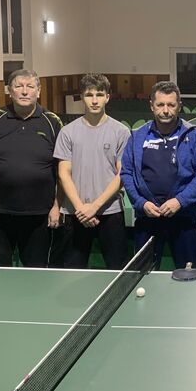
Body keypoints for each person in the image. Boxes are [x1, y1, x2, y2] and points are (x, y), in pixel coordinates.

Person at [0, 69, 62, 267]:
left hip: (39, 214)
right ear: (9, 91)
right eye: (19, 86)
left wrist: (57, 206)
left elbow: (62, 170)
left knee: (36, 273)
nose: (24, 91)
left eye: (30, 86)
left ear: (39, 91)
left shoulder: (53, 122)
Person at [120, 81, 196, 270]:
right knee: (143, 276)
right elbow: (127, 173)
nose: (166, 110)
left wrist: (180, 201)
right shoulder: (137, 136)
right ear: (151, 105)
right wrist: (141, 203)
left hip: (184, 218)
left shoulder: (194, 136)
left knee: (188, 276)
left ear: (179, 105)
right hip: (147, 217)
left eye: (171, 105)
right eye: (160, 104)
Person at [53, 73, 131, 269]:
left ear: (107, 97)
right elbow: (63, 174)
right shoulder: (67, 132)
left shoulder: (121, 132)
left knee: (117, 271)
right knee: (71, 272)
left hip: (110, 212)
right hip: (75, 213)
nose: (94, 100)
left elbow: (122, 174)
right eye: (89, 95)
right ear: (82, 97)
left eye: (99, 94)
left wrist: (94, 206)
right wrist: (81, 208)